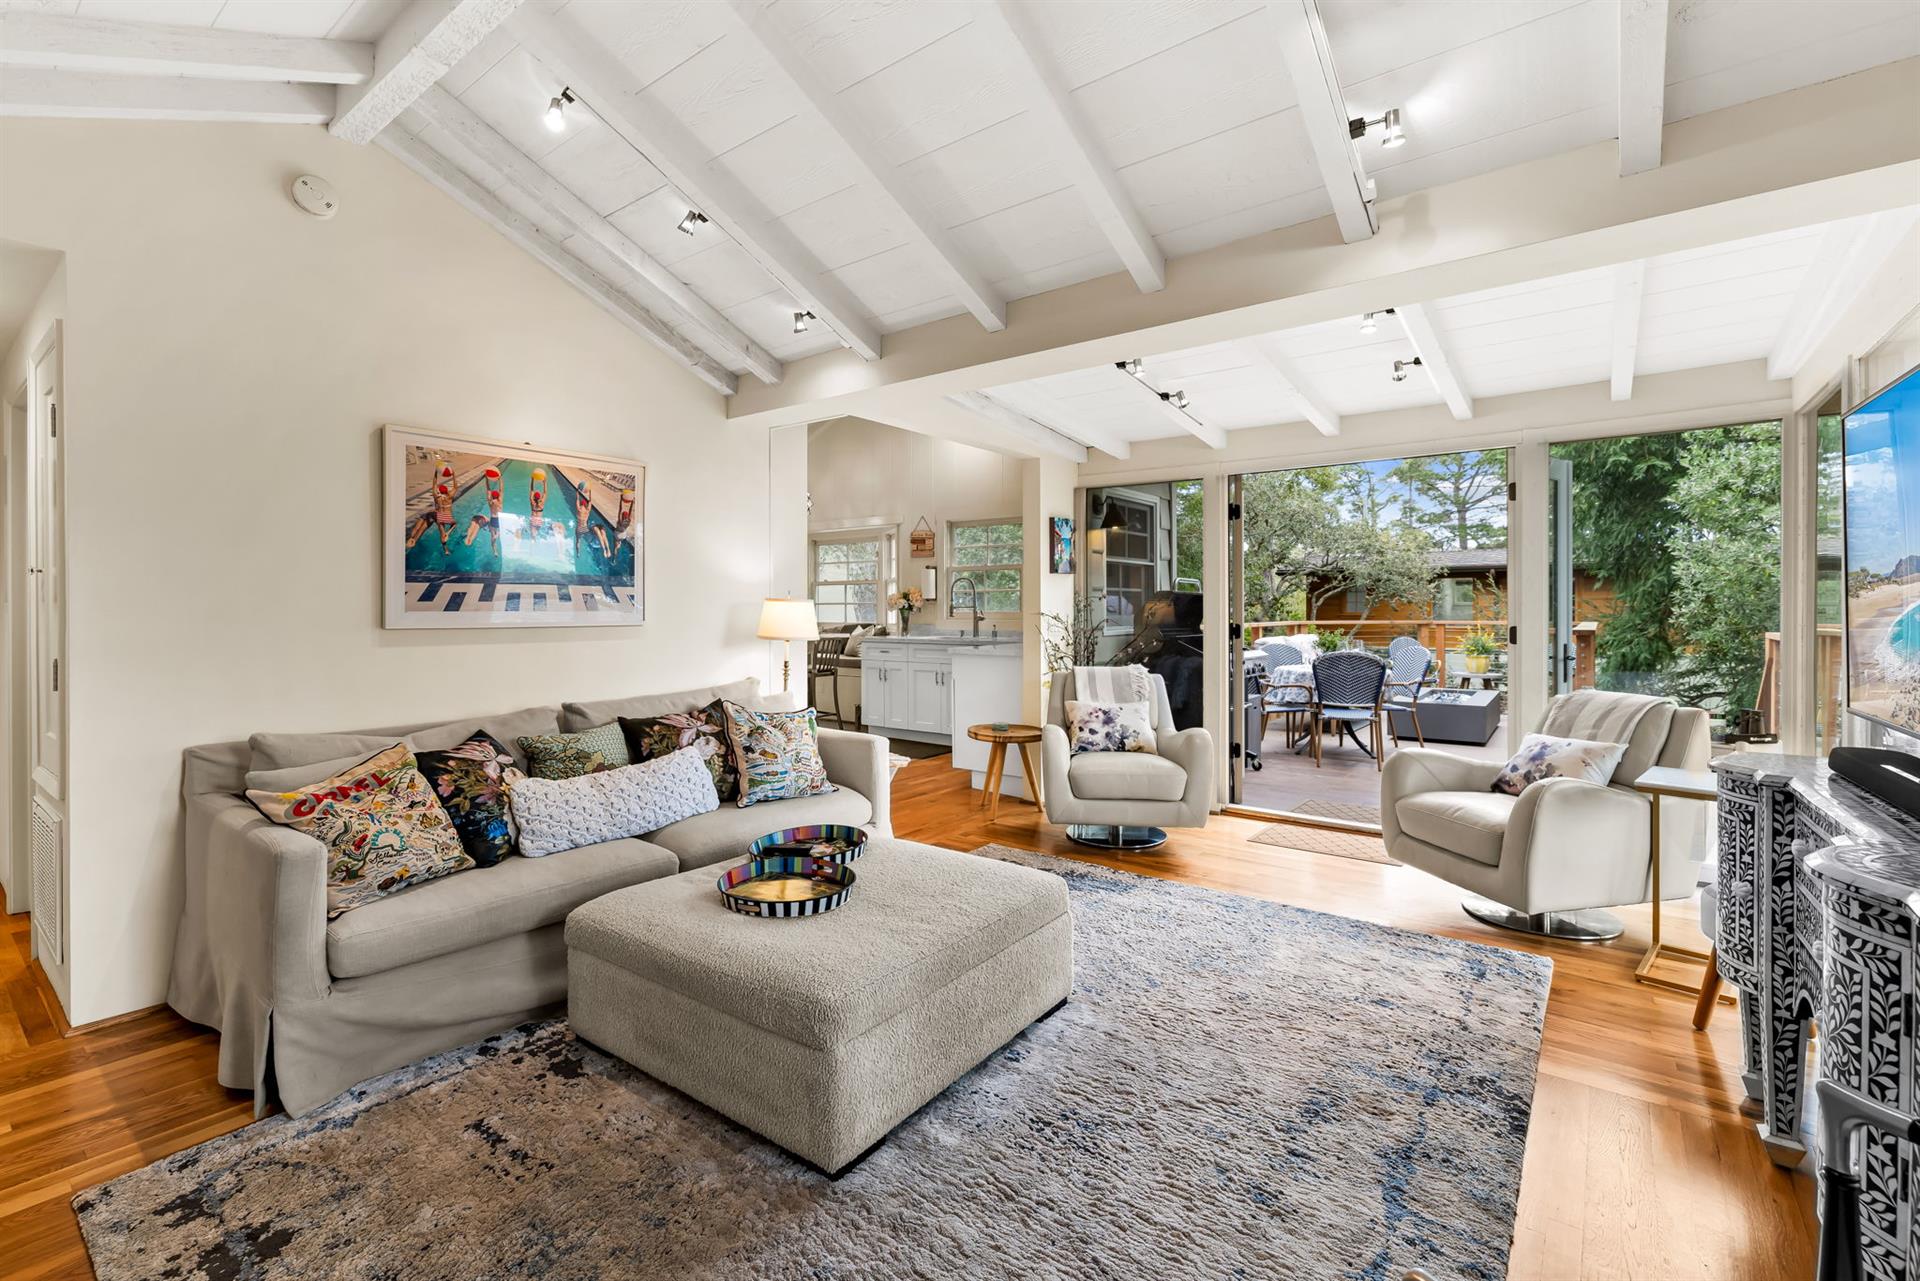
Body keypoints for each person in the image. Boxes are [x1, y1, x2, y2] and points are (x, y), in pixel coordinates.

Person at [406, 460, 457, 553]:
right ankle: (445, 548)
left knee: (422, 525)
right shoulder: (449, 497)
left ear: (439, 491)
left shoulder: (436, 495)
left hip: (435, 515)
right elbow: (455, 487)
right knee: (446, 529)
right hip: (445, 517)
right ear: (447, 491)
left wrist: (436, 472)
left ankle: (413, 539)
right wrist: (453, 475)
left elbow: (434, 483)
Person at [463, 465, 504, 553]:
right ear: (499, 497)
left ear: (492, 496)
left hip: (493, 520)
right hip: (499, 520)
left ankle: (494, 549)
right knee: (496, 532)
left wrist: (486, 478)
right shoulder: (500, 502)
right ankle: (497, 539)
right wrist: (500, 478)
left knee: (492, 537)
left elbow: (488, 489)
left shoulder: (490, 502)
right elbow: (501, 489)